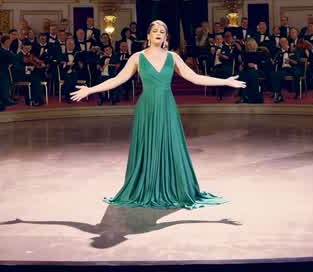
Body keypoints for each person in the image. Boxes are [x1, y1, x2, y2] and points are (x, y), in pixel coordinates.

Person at [70, 20, 244, 208]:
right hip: (147, 108)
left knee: (170, 146)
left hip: (167, 107)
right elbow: (117, 79)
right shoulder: (137, 57)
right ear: (148, 36)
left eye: (162, 31)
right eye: (155, 31)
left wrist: (224, 82)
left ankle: (175, 188)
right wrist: (90, 90)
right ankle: (147, 187)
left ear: (166, 36)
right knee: (148, 146)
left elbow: (195, 78)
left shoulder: (173, 57)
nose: (158, 33)